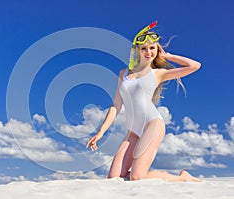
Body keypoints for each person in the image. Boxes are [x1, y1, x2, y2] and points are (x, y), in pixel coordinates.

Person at [86, 21, 201, 182]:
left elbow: (195, 66)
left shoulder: (158, 73)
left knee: (137, 176)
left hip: (152, 124)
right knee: (113, 177)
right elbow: (116, 106)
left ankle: (183, 177)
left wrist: (168, 56)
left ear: (157, 49)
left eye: (152, 48)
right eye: (144, 48)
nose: (148, 52)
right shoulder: (123, 73)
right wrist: (100, 133)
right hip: (133, 130)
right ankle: (142, 174)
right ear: (138, 50)